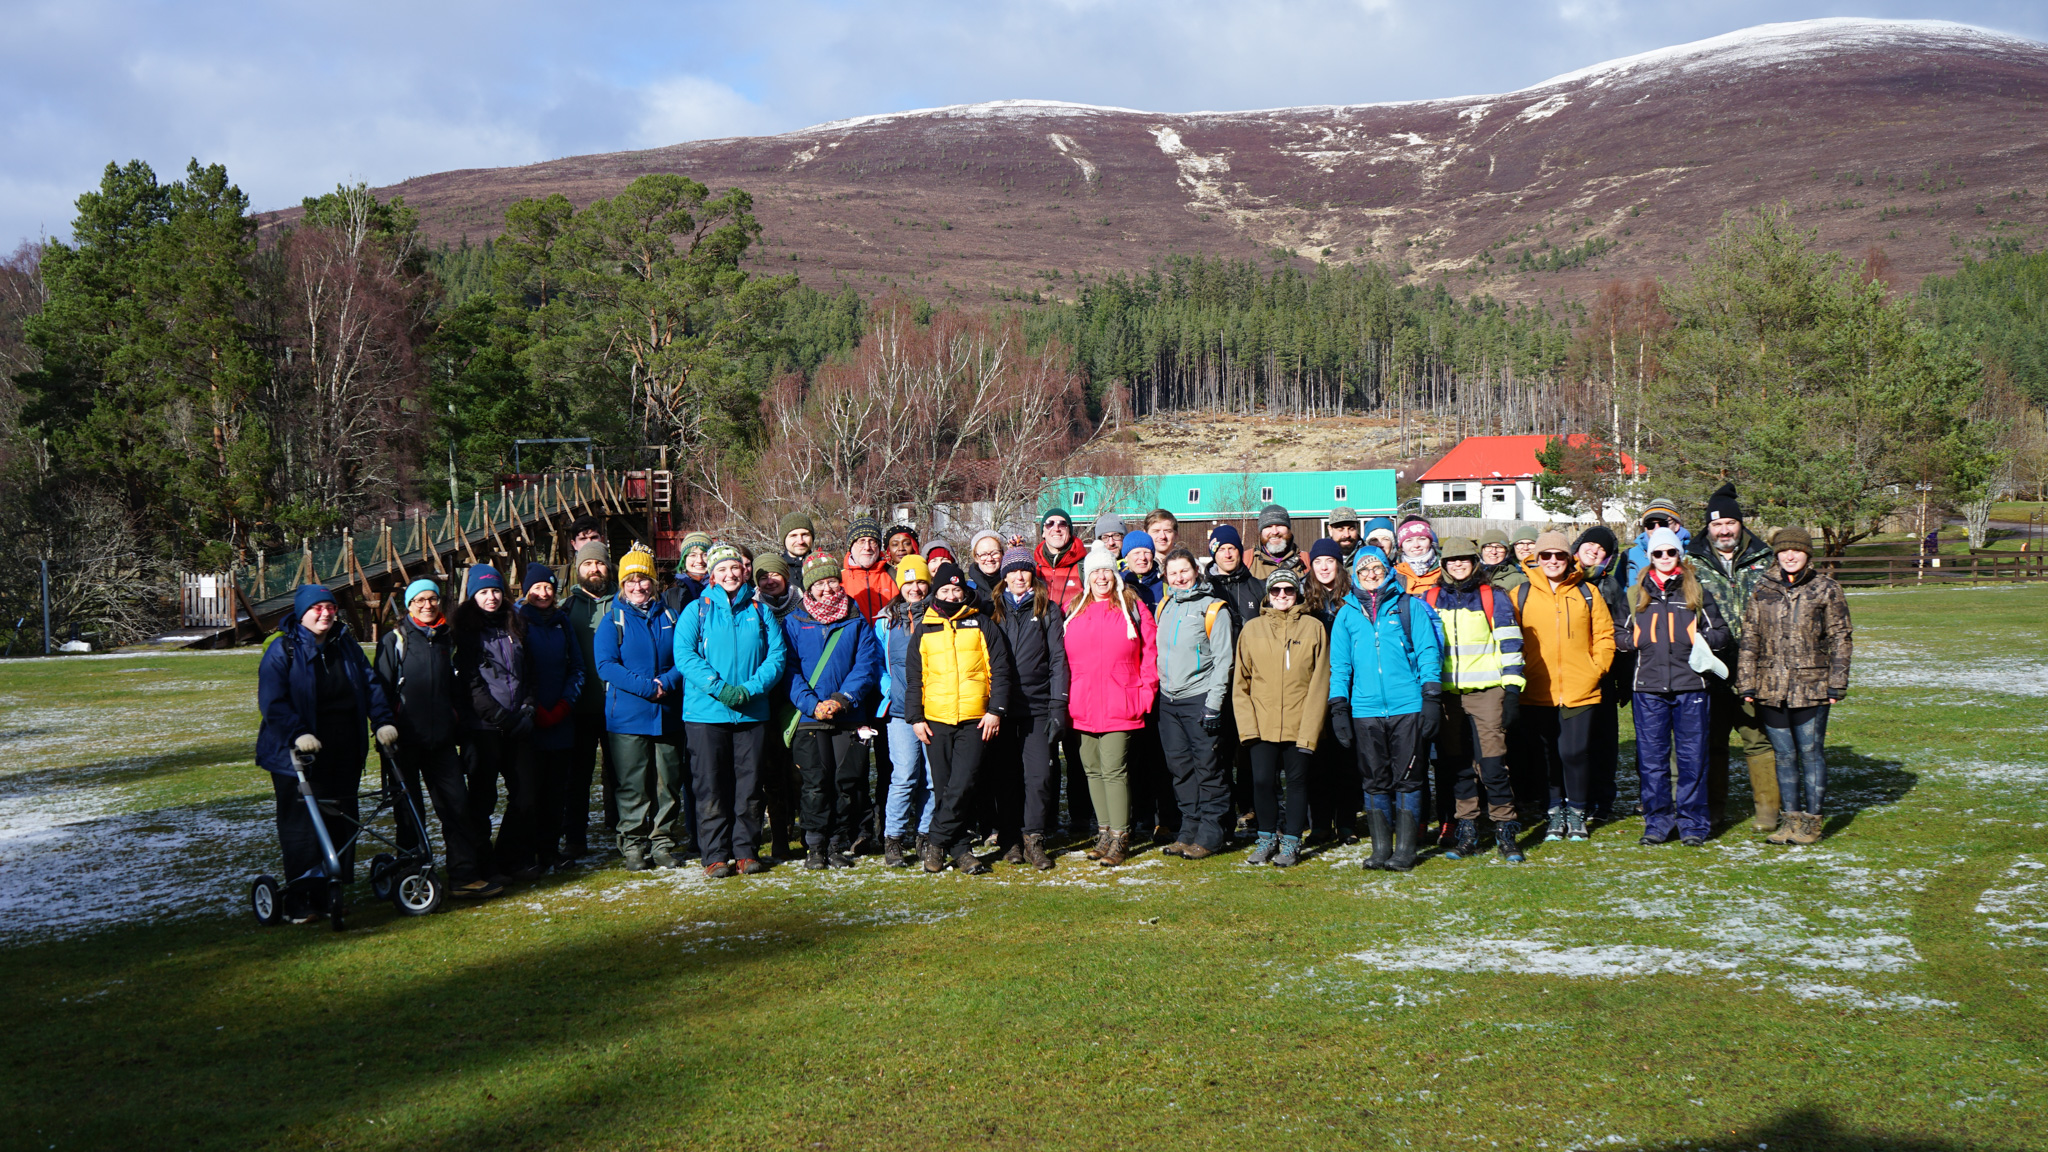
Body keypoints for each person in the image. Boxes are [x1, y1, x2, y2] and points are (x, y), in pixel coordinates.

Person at [257, 584, 397, 920]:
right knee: (303, 828)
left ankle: (332, 890)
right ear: (302, 612)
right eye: (317, 608)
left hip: (343, 750)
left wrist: (382, 721)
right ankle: (303, 899)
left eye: (330, 608)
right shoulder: (283, 649)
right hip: (298, 756)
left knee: (340, 822)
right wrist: (298, 733)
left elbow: (370, 684)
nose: (325, 614)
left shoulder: (345, 644)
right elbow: (273, 702)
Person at [374, 578, 499, 898]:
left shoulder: (449, 640)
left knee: (457, 808)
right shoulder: (395, 640)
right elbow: (381, 691)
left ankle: (464, 876)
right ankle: (411, 876)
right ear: (409, 605)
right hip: (403, 742)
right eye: (420, 600)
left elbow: (461, 691)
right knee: (409, 814)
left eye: (432, 599)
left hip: (442, 742)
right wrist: (384, 728)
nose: (427, 605)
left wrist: (462, 731)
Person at [673, 543, 791, 877]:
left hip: (752, 713)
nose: (729, 574)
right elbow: (684, 655)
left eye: (734, 568)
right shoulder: (697, 610)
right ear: (712, 575)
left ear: (743, 572)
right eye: (722, 569)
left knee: (749, 785)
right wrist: (721, 688)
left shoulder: (759, 611)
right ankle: (714, 854)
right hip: (705, 714)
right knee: (711, 786)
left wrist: (750, 689)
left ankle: (745, 851)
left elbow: (777, 657)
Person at [1329, 547, 1442, 870]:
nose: (1371, 575)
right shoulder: (1347, 614)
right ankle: (1381, 849)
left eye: (1376, 568)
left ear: (1388, 570)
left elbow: (1427, 653)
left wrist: (1431, 697)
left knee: (1408, 778)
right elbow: (1340, 666)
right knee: (1374, 779)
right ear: (1355, 577)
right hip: (1365, 710)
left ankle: (1405, 849)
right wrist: (1339, 707)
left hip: (1407, 705)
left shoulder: (1409, 607)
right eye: (1364, 571)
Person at [1738, 527, 1852, 846]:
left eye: (1797, 551)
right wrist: (1746, 682)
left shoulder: (1826, 588)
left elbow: (1841, 638)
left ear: (1807, 554)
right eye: (1784, 551)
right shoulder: (1763, 588)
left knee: (1810, 753)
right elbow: (1750, 638)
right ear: (1776, 554)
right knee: (1783, 755)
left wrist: (1836, 683)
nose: (1790, 556)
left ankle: (1811, 824)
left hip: (1812, 686)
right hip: (1770, 686)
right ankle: (1790, 821)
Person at [1617, 527, 1731, 847]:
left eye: (1670, 552)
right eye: (1658, 553)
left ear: (1678, 555)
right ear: (1650, 557)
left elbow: (1721, 634)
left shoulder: (1696, 591)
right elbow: (1616, 634)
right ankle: (1657, 822)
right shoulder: (1637, 593)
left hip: (1690, 686)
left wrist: (1698, 639)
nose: (1665, 558)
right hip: (1648, 688)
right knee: (1652, 761)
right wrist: (1636, 640)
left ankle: (1693, 823)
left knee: (1692, 759)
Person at [1418, 536, 1527, 863]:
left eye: (1464, 559)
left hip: (1487, 693)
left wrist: (1511, 692)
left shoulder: (1493, 597)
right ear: (1443, 564)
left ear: (1474, 561)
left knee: (1493, 765)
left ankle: (1505, 829)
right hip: (1448, 696)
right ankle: (1466, 830)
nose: (1458, 564)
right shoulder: (1429, 598)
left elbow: (1510, 645)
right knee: (1458, 765)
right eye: (1452, 560)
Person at [905, 560, 1013, 874]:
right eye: (946, 589)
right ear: (936, 592)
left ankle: (935, 842)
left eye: (957, 589)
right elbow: (915, 677)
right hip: (935, 719)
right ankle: (961, 851)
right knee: (944, 787)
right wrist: (915, 717)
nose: (952, 595)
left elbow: (1001, 670)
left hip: (975, 718)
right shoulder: (923, 627)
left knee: (963, 784)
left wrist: (996, 710)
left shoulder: (982, 622)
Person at [1688, 482, 1781, 831]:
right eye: (1716, 524)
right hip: (1711, 667)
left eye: (1730, 523)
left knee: (1756, 737)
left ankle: (1767, 810)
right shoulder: (1692, 562)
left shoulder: (1765, 558)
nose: (1724, 530)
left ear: (1740, 523)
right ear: (1708, 527)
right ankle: (1713, 810)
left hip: (1756, 664)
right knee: (1712, 741)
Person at [1513, 532, 1615, 845]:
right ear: (1537, 559)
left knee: (1574, 752)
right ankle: (1554, 810)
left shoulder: (1587, 592)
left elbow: (1605, 635)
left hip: (1580, 688)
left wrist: (1595, 670)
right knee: (1546, 756)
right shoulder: (1521, 594)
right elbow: (1510, 638)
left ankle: (1578, 812)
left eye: (1559, 556)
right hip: (1537, 689)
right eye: (1546, 556)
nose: (1553, 561)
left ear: (1569, 558)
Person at [783, 552, 883, 869]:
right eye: (820, 584)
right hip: (809, 718)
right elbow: (789, 670)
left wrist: (842, 699)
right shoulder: (793, 622)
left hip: (848, 715)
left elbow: (865, 666)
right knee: (815, 784)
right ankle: (815, 845)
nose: (827, 589)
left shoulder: (855, 620)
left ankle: (838, 842)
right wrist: (814, 705)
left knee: (846, 782)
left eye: (831, 582)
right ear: (808, 588)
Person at [1060, 542, 1158, 867]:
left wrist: (1145, 693)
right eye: (1095, 571)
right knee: (1091, 767)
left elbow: (1151, 652)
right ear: (1088, 576)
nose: (1101, 577)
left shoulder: (1132, 606)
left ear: (1114, 573)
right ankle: (1103, 832)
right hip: (1083, 702)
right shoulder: (1075, 607)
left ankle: (1120, 836)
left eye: (1106, 570)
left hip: (1122, 700)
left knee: (1114, 769)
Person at [594, 546, 688, 871]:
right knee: (632, 785)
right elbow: (606, 665)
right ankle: (632, 843)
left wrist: (668, 682)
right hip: (628, 718)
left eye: (644, 579)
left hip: (667, 715)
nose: (638, 586)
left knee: (668, 783)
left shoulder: (672, 618)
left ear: (653, 582)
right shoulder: (612, 620)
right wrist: (648, 687)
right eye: (631, 580)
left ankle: (663, 841)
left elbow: (686, 657)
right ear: (622, 584)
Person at [1232, 569, 1330, 867]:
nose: (1282, 596)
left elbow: (1320, 681)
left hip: (1301, 722)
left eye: (1288, 590)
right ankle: (1265, 839)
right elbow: (1241, 682)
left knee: (1298, 783)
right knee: (1262, 782)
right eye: (1276, 591)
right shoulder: (1252, 629)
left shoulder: (1314, 628)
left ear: (1297, 593)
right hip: (1262, 723)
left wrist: (1311, 729)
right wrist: (1248, 728)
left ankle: (1291, 842)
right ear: (1268, 594)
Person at [454, 564, 542, 881]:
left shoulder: (516, 623)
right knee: (482, 800)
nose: (491, 597)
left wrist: (529, 708)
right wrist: (500, 717)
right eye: (483, 592)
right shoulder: (465, 632)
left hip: (519, 722)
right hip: (484, 728)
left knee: (526, 795)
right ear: (473, 595)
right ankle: (483, 863)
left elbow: (529, 673)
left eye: (495, 590)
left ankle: (509, 857)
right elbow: (472, 684)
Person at [988, 546, 1069, 869]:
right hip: (1002, 709)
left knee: (1038, 777)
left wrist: (1058, 705)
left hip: (1037, 707)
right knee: (1007, 777)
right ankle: (1011, 840)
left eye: (1025, 571)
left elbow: (1058, 660)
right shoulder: (992, 609)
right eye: (1013, 570)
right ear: (1004, 576)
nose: (1019, 576)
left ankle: (1034, 838)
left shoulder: (1048, 609)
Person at [1153, 547, 1234, 860]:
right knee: (1181, 769)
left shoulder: (1213, 609)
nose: (1179, 578)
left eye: (1184, 571)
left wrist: (1214, 704)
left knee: (1209, 768)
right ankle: (1189, 830)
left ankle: (1214, 832)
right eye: (1173, 573)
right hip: (1169, 702)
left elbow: (1224, 659)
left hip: (1200, 699)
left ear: (1196, 572)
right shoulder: (1165, 607)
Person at [517, 562, 585, 872]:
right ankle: (526, 852)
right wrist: (532, 707)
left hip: (560, 718)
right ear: (526, 591)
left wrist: (564, 705)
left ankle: (550, 851)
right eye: (537, 588)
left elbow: (577, 667)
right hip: (529, 720)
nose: (543, 593)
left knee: (557, 790)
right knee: (530, 792)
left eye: (548, 587)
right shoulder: (517, 622)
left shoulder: (562, 622)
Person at [876, 555, 937, 867]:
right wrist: (890, 691)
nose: (915, 588)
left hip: (936, 709)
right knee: (904, 775)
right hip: (900, 711)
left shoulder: (940, 616)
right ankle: (894, 837)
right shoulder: (885, 622)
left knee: (933, 777)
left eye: (920, 581)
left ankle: (925, 834)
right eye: (908, 582)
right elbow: (878, 666)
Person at [1301, 537, 1357, 845]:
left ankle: (1346, 823)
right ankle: (1320, 823)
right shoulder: (1302, 596)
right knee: (1317, 758)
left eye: (1330, 561)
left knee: (1346, 756)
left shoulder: (1351, 597)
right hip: (1314, 685)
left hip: (1348, 685)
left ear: (1339, 564)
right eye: (1319, 562)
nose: (1324, 567)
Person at [1574, 524, 1631, 824]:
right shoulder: (1559, 576)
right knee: (1573, 742)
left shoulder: (1610, 587)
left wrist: (1621, 677)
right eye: (1591, 545)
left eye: (1602, 551)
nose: (1595, 552)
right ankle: (1574, 799)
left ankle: (1602, 801)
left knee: (1603, 741)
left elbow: (1619, 633)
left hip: (1602, 674)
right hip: (1568, 672)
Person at [565, 540, 617, 858]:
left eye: (598, 564)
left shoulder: (623, 602)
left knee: (621, 773)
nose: (594, 569)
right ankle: (575, 836)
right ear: (578, 569)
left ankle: (624, 827)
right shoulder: (566, 609)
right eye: (587, 564)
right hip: (580, 706)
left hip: (617, 706)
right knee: (578, 775)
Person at [1624, 498, 1689, 589]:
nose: (1656, 528)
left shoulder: (1692, 554)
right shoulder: (1629, 556)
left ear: (1676, 525)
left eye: (1663, 523)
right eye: (1650, 524)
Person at [841, 516, 898, 620]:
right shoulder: (839, 581)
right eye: (861, 541)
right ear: (851, 546)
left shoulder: (895, 575)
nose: (867, 547)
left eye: (872, 541)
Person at [1034, 508, 1087, 612]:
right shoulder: (1033, 567)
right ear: (1043, 532)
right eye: (1050, 524)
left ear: (1069, 531)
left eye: (1062, 524)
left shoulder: (1084, 566)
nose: (1056, 528)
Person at [1248, 504, 1302, 580]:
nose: (1274, 532)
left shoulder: (1305, 561)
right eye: (1268, 527)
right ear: (1260, 532)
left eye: (1279, 525)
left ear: (1288, 529)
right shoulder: (1247, 561)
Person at [1393, 518, 1442, 595]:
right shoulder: (1393, 574)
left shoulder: (1445, 570)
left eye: (1422, 539)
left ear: (1430, 542)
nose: (1416, 545)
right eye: (1409, 540)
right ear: (1401, 546)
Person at [1121, 529, 1163, 607]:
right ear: (1126, 557)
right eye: (1136, 553)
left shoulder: (1164, 585)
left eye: (1147, 553)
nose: (1143, 557)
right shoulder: (1119, 585)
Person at [967, 529, 1007, 611]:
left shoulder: (1011, 584)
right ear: (976, 558)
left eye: (994, 553)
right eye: (984, 554)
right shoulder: (968, 588)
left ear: (1002, 554)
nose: (989, 558)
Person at [752, 552, 799, 618]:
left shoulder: (803, 603)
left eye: (775, 575)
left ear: (784, 578)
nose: (770, 582)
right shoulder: (751, 608)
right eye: (764, 578)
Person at [675, 531, 712, 602]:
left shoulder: (721, 587)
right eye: (693, 555)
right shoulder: (672, 593)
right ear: (684, 560)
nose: (699, 560)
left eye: (705, 555)